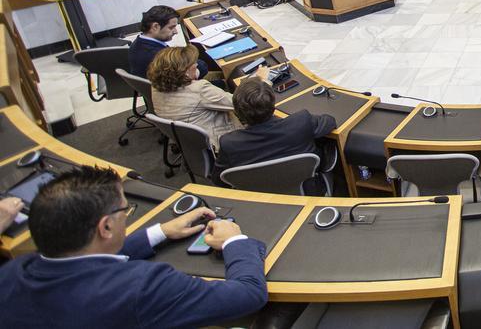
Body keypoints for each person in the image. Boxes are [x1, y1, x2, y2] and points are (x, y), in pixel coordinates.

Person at [0, 165, 268, 327]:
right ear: (105, 227)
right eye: (124, 210)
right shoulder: (143, 287)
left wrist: (159, 232)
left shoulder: (13, 271)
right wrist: (233, 240)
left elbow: (84, 263)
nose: (126, 215)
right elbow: (248, 294)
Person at [213, 77, 337, 182]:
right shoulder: (300, 122)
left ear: (237, 113)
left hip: (260, 200)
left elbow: (219, 180)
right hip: (306, 190)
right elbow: (330, 121)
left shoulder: (229, 143)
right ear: (273, 105)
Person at [149, 46, 266, 151]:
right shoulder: (199, 90)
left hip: (192, 144)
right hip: (222, 143)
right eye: (194, 66)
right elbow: (243, 102)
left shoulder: (156, 86)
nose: (196, 65)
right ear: (183, 72)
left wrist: (193, 74)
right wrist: (260, 80)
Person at [128, 5, 208, 80]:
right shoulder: (158, 56)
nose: (176, 32)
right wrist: (195, 69)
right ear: (155, 26)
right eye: (171, 27)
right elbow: (201, 67)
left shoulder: (138, 42)